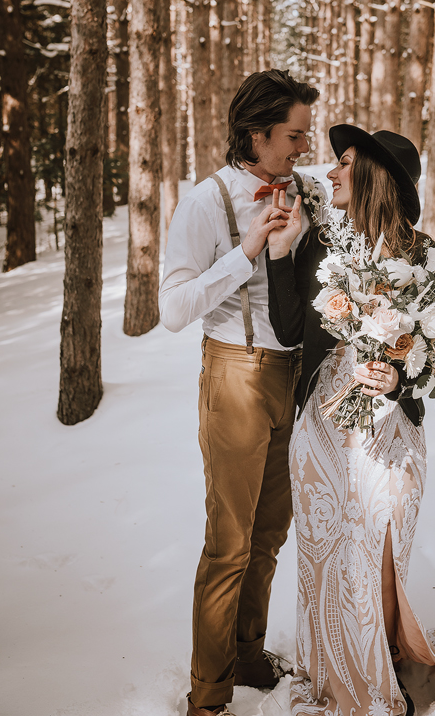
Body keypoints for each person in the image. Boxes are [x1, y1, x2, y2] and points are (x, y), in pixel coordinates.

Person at [266, 125, 435, 716]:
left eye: (344, 162)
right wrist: (281, 253)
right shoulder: (324, 247)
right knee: (327, 554)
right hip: (325, 424)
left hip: (392, 429)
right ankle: (335, 676)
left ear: (375, 174)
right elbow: (289, 331)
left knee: (379, 547)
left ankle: (378, 670)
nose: (330, 173)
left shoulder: (427, 259)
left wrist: (398, 377)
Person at [159, 70, 323, 716]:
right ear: (256, 133)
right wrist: (247, 249)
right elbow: (172, 309)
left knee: (271, 533)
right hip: (234, 372)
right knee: (228, 542)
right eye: (293, 135)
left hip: (296, 376)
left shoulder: (308, 192)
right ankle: (207, 695)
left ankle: (250, 656)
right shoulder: (208, 200)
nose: (302, 147)